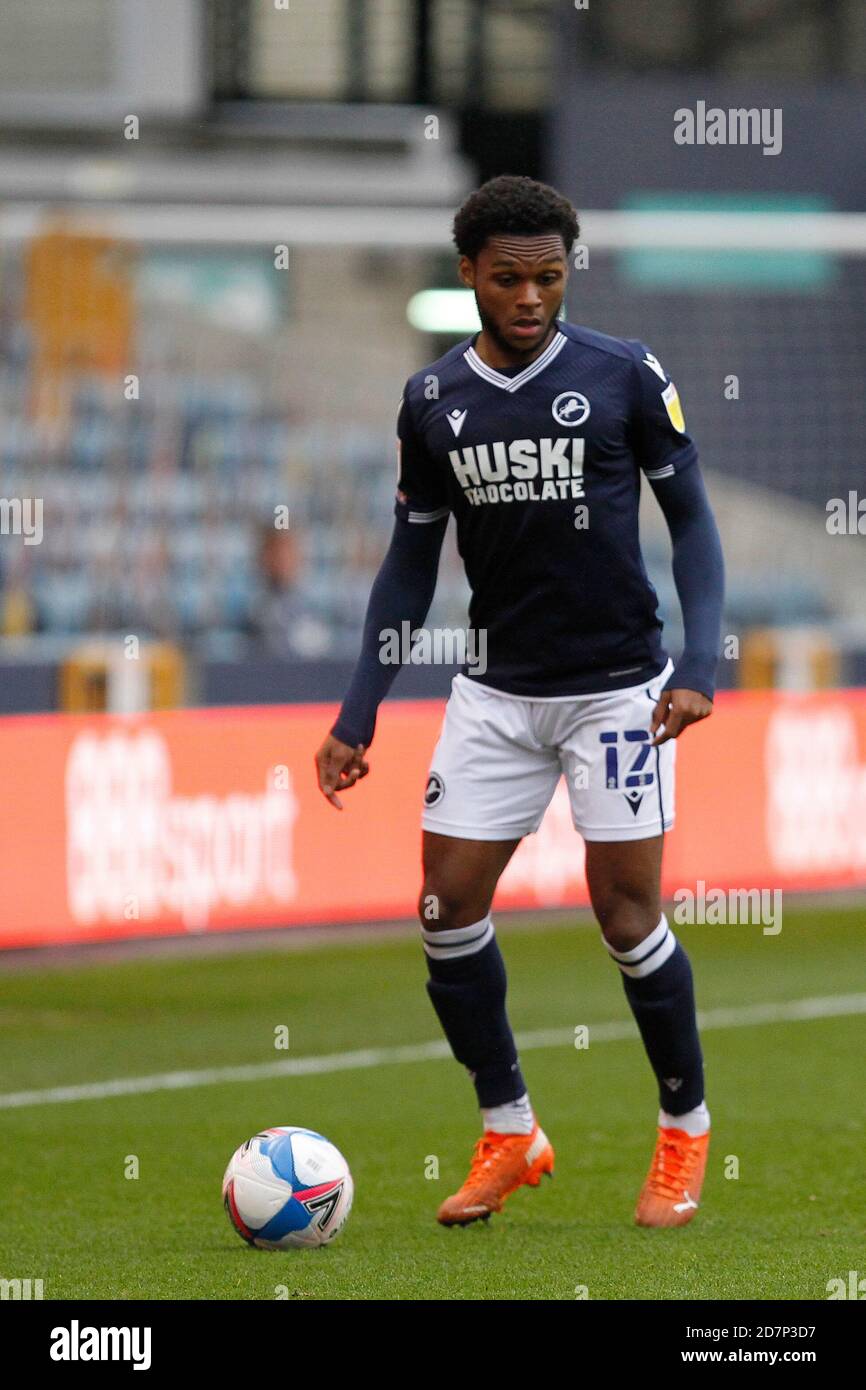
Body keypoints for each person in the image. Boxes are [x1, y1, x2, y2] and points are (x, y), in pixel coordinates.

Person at [314, 175, 724, 1230]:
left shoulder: (624, 375)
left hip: (617, 693)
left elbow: (693, 527)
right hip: (494, 690)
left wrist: (696, 669)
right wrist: (358, 712)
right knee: (444, 909)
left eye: (548, 275)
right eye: (508, 278)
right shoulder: (431, 402)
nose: (531, 295)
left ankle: (683, 1131)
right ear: (468, 275)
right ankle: (509, 1126)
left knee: (625, 914)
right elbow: (408, 568)